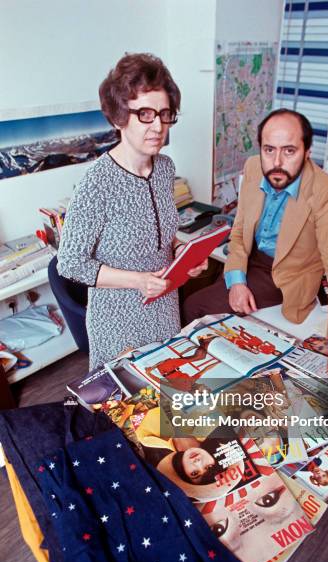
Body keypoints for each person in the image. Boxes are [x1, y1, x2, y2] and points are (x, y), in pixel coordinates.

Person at [183, 108, 328, 379]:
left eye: (289, 151)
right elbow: (239, 232)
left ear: (307, 152)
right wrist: (236, 280)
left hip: (286, 272)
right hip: (251, 258)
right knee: (208, 308)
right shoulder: (252, 167)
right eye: (269, 150)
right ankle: (205, 370)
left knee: (196, 306)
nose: (277, 162)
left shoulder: (324, 192)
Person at [57, 53, 206, 368]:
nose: (158, 126)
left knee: (167, 390)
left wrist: (184, 253)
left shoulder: (165, 168)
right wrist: (138, 280)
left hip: (165, 306)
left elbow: (161, 234)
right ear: (118, 118)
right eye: (145, 114)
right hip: (118, 319)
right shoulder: (96, 184)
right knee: (129, 408)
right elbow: (69, 264)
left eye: (165, 114)